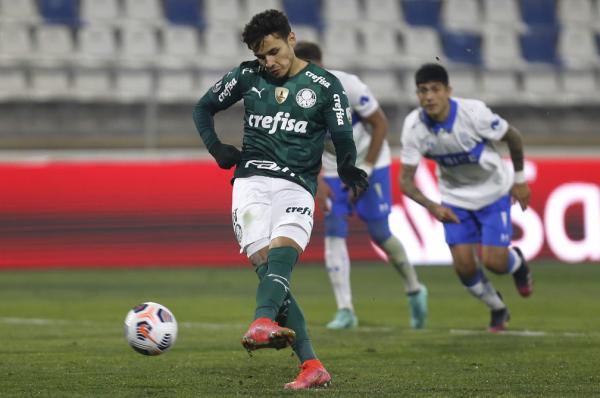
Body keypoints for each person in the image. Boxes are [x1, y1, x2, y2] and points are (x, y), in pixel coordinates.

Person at [192, 10, 368, 390]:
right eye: (260, 56)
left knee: (283, 254)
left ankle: (261, 321)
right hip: (250, 182)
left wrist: (350, 168)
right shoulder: (246, 76)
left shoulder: (325, 85)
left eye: (273, 52)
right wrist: (217, 147)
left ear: (291, 38)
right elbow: (202, 108)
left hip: (296, 183)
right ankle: (312, 364)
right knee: (268, 270)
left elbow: (342, 134)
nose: (268, 63)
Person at [294, 41, 428, 330]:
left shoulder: (348, 85)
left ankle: (415, 289)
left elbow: (379, 124)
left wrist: (364, 168)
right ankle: (345, 310)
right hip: (331, 169)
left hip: (371, 161)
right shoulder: (294, 97)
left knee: (380, 233)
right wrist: (318, 178)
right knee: (333, 232)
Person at [399, 63, 533, 332]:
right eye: (422, 91)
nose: (429, 96)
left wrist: (519, 180)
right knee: (464, 268)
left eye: (435, 89)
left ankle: (517, 263)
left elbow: (514, 138)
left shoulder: (474, 114)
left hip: (493, 191)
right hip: (455, 199)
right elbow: (405, 181)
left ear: (448, 91)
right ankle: (498, 308)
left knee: (495, 263)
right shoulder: (414, 126)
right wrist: (433, 206)